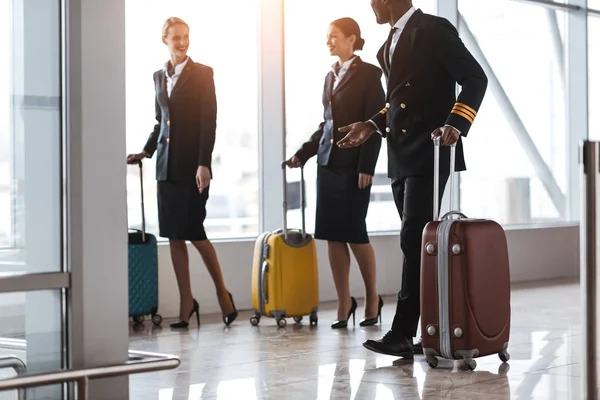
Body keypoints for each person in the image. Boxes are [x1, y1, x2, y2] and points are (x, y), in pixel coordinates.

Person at [337, 1, 487, 358]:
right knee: (419, 244)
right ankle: (430, 329)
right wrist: (371, 125)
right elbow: (399, 100)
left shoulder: (433, 30)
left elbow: (474, 78)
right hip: (401, 155)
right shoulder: (387, 43)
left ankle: (403, 331)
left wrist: (456, 123)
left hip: (431, 151)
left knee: (413, 240)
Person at [127, 17, 238, 329]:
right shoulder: (158, 76)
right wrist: (146, 152)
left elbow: (208, 122)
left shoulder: (203, 74)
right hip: (166, 166)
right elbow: (159, 122)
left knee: (195, 232)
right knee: (174, 236)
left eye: (186, 36)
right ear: (165, 39)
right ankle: (186, 301)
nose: (182, 42)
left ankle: (222, 293)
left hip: (192, 168)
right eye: (176, 37)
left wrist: (204, 163)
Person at [286, 17, 385, 329]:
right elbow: (326, 124)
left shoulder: (370, 73)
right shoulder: (330, 76)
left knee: (355, 235)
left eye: (334, 36)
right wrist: (303, 153)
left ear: (351, 39)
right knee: (332, 237)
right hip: (327, 165)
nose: (329, 41)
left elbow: (375, 123)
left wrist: (367, 166)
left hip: (354, 168)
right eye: (328, 36)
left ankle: (372, 298)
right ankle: (344, 301)